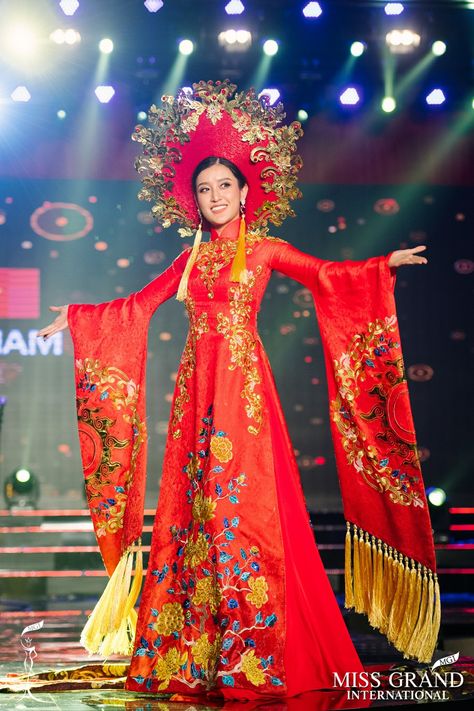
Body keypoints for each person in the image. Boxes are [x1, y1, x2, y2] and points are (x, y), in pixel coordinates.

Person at [38, 80, 439, 702]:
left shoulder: (267, 250)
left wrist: (381, 267)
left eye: (225, 185)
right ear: (193, 199)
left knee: (243, 518)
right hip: (194, 392)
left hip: (243, 397)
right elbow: (137, 307)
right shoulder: (190, 260)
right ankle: (190, 658)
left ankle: (256, 657)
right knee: (192, 518)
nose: (215, 195)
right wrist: (82, 315)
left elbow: (328, 277)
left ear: (246, 192)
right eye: (205, 188)